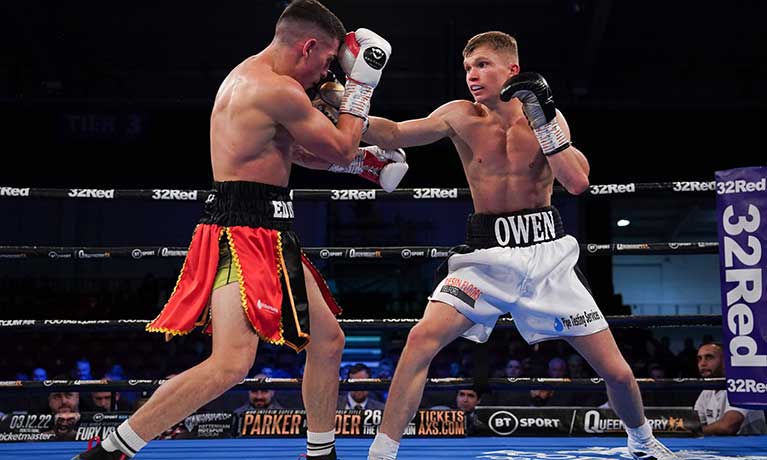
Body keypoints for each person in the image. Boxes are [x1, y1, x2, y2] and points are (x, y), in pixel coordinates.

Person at [71, 1, 395, 459]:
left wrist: (365, 163)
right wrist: (362, 85)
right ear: (308, 47)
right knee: (230, 364)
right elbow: (340, 146)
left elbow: (297, 152)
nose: (325, 77)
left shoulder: (246, 75)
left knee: (328, 340)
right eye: (325, 65)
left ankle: (321, 453)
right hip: (244, 231)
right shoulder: (276, 88)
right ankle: (107, 452)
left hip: (262, 224)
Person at [364, 31, 677, 460]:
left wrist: (544, 119)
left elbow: (577, 181)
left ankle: (643, 442)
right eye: (468, 68)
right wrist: (349, 111)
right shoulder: (459, 115)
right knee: (421, 338)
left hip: (548, 258)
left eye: (483, 65)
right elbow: (398, 132)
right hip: (485, 261)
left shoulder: (547, 119)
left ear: (513, 70)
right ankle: (381, 452)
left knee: (617, 371)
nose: (473, 76)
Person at [694, 343, 766, 435]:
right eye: (699, 359)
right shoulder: (707, 390)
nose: (702, 363)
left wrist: (693, 431)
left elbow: (727, 427)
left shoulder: (743, 385)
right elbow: (695, 423)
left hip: (749, 448)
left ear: (726, 360)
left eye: (709, 357)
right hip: (719, 446)